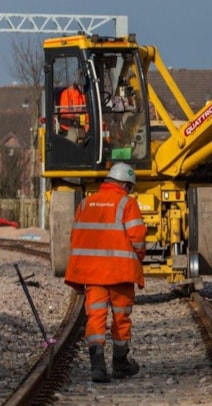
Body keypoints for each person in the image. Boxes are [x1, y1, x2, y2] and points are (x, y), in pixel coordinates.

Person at [64, 163, 147, 383]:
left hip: (92, 274)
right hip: (120, 272)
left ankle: (97, 367)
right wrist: (138, 257)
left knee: (95, 317)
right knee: (121, 317)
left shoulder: (85, 203)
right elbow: (137, 236)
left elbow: (76, 236)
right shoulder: (127, 203)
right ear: (125, 185)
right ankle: (120, 363)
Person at [59, 71, 88, 141]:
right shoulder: (66, 94)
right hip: (70, 127)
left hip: (82, 126)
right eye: (80, 85)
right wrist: (77, 119)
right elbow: (64, 115)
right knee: (73, 136)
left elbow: (87, 114)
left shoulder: (85, 96)